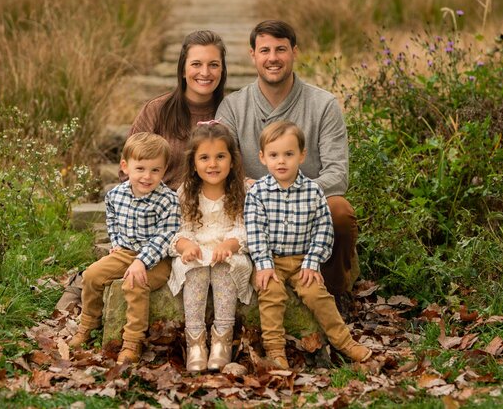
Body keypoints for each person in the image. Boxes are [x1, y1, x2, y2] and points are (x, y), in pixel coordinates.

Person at [216, 20, 357, 298]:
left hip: (309, 204)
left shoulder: (323, 105)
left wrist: (295, 194)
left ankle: (336, 294)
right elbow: (222, 170)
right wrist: (261, 192)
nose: (273, 58)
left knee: (340, 211)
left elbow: (338, 174)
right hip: (253, 204)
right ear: (252, 55)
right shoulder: (233, 107)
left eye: (280, 49)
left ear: (294, 52)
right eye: (264, 50)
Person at [245, 120, 370, 369]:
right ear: (262, 157)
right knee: (271, 293)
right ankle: (275, 349)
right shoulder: (257, 193)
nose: (281, 161)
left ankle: (343, 341)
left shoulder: (313, 191)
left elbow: (323, 229)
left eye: (288, 154)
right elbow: (255, 231)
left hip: (303, 259)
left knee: (317, 295)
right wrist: (264, 264)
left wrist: (313, 262)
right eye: (274, 155)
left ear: (302, 156)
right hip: (272, 260)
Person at [69, 132, 180, 366]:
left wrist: (141, 262)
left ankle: (132, 341)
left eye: (155, 170)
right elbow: (112, 219)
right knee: (91, 275)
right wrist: (117, 242)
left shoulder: (168, 200)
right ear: (125, 166)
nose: (147, 176)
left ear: (164, 170)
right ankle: (88, 323)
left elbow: (166, 236)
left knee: (135, 283)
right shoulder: (115, 195)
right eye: (140, 168)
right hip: (126, 252)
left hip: (157, 259)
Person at [167, 121, 253, 372]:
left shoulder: (241, 191)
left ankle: (222, 340)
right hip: (196, 250)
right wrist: (185, 246)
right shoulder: (186, 193)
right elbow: (177, 229)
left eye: (220, 157)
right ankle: (195, 342)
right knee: (194, 268)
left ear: (232, 160)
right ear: (193, 162)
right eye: (204, 157)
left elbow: (246, 228)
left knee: (225, 269)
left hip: (229, 252)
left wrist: (230, 244)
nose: (212, 164)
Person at [121, 30, 228, 190]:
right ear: (183, 70)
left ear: (222, 70)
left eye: (213, 65)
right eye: (196, 64)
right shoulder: (157, 110)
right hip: (160, 208)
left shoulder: (231, 112)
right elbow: (127, 173)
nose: (205, 72)